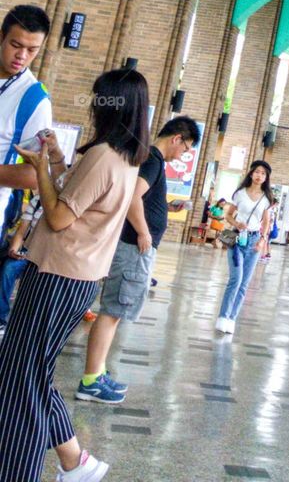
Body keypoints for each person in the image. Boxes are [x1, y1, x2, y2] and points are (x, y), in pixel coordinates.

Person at [0, 66, 150, 482]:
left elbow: (61, 215)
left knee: (21, 382)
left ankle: (19, 472)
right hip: (73, 278)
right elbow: (78, 196)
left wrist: (39, 171)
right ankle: (75, 462)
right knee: (26, 372)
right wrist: (58, 160)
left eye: (101, 99)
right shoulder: (124, 156)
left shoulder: (104, 155)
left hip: (58, 276)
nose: (95, 106)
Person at [77, 115, 200, 404]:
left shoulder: (150, 158)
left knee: (115, 312)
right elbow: (133, 197)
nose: (183, 154)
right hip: (134, 247)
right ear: (176, 138)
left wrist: (167, 207)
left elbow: (142, 198)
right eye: (186, 148)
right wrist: (144, 232)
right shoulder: (154, 159)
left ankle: (98, 372)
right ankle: (91, 380)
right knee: (112, 312)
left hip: (135, 248)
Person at [0, 5, 52, 248]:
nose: (22, 56)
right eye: (16, 45)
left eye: (32, 50)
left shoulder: (34, 100)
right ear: (1, 37)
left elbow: (34, 175)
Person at [215, 160, 272, 335]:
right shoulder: (240, 194)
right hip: (237, 240)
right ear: (251, 173)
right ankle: (223, 317)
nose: (259, 175)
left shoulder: (266, 198)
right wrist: (237, 223)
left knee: (244, 284)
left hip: (254, 241)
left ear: (266, 177)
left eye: (263, 173)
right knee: (236, 279)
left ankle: (231, 319)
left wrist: (262, 240)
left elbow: (266, 222)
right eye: (257, 172)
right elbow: (229, 215)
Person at [0, 190, 43, 337]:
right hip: (27, 249)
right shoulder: (37, 200)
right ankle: (1, 318)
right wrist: (13, 250)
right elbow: (21, 231)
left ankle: (31, 324)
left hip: (48, 255)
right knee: (9, 267)